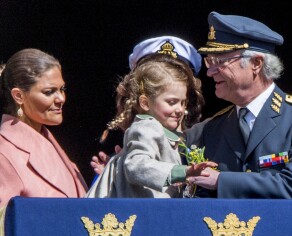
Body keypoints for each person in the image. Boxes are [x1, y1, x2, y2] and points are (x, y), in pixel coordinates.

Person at [185, 11, 292, 199]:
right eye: (209, 61)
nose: (210, 72)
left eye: (220, 61)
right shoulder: (207, 131)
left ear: (256, 63)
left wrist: (221, 181)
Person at [86, 56, 217, 198]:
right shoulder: (146, 127)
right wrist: (182, 172)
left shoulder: (165, 132)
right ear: (145, 103)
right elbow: (136, 166)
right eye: (172, 102)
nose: (180, 109)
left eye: (183, 102)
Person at [90, 36, 205, 176]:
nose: (178, 109)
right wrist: (115, 179)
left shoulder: (206, 143)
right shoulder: (126, 155)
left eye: (181, 101)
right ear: (143, 100)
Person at [0, 48, 88, 207]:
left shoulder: (50, 143)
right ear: (19, 96)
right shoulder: (4, 154)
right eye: (49, 92)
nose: (61, 98)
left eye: (62, 89)